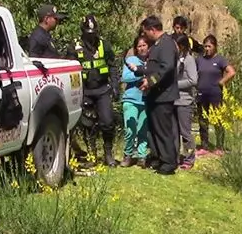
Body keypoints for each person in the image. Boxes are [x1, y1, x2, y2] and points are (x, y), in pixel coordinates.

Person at [135, 15, 180, 175]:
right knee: (155, 129)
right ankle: (159, 158)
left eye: (145, 32)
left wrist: (150, 81)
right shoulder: (157, 45)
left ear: (152, 30)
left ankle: (169, 162)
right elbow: (153, 67)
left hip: (163, 95)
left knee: (163, 130)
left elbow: (166, 68)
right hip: (155, 95)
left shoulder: (166, 44)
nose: (144, 36)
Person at [72, 14, 119, 166]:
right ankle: (92, 155)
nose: (91, 36)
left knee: (108, 122)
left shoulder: (104, 45)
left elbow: (112, 66)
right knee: (87, 125)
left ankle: (108, 154)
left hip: (103, 90)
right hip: (85, 91)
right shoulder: (75, 47)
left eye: (94, 33)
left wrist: (115, 85)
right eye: (88, 33)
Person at [195, 34, 236, 154]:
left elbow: (231, 72)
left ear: (215, 46)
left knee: (218, 120)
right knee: (203, 120)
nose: (207, 49)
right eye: (205, 46)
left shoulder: (220, 60)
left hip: (215, 94)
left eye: (209, 46)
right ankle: (204, 146)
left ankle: (219, 147)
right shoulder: (199, 60)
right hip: (202, 94)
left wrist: (222, 82)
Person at [119, 35, 151, 167]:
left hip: (146, 100)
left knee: (143, 129)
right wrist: (141, 73)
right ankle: (128, 154)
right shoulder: (131, 60)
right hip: (131, 99)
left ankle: (142, 155)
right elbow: (125, 77)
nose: (142, 48)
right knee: (130, 129)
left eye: (144, 45)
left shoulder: (152, 61)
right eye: (139, 46)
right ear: (136, 48)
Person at [174, 34, 198, 170]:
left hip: (184, 101)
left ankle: (189, 158)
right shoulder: (176, 58)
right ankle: (175, 157)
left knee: (185, 132)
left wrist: (175, 85)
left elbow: (193, 80)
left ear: (182, 46)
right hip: (173, 100)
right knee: (174, 132)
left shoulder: (189, 60)